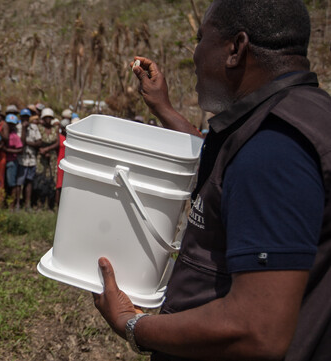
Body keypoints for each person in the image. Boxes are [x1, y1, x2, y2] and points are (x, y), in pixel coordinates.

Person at [92, 1, 331, 360]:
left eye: (201, 39)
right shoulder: (304, 116)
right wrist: (165, 109)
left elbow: (256, 330)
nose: (195, 55)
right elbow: (231, 167)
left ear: (236, 48)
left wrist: (132, 324)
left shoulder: (274, 150)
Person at [34, 108, 59, 209]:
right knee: (39, 179)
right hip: (40, 156)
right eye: (46, 118)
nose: (48, 120)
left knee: (51, 180)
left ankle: (49, 205)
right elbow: (35, 140)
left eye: (50, 118)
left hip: (52, 157)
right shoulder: (39, 128)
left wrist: (47, 149)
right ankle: (38, 203)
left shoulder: (54, 129)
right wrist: (42, 150)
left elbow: (57, 143)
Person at [17, 110, 41, 209]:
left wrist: (28, 143)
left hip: (31, 159)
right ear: (21, 117)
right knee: (19, 183)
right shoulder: (17, 127)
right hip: (21, 159)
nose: (25, 119)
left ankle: (27, 204)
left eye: (27, 117)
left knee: (29, 182)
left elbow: (39, 142)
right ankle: (17, 203)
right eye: (23, 117)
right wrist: (23, 128)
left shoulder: (34, 127)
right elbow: (21, 144)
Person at [3, 114, 23, 209]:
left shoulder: (14, 136)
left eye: (12, 124)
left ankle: (11, 205)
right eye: (9, 124)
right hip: (3, 161)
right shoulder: (3, 133)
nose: (10, 126)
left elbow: (20, 149)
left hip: (11, 162)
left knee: (12, 184)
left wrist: (8, 150)